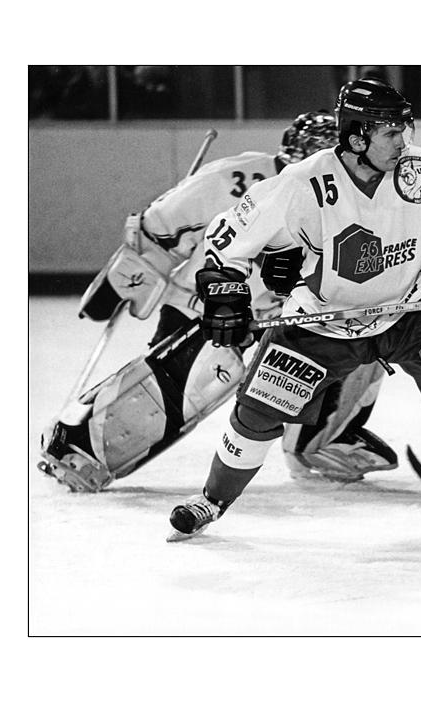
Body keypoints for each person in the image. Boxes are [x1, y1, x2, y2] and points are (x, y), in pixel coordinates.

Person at [167, 78, 421, 540]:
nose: (403, 142)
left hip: (411, 309)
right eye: (390, 133)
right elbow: (228, 234)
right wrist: (225, 290)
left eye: (405, 130)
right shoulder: (304, 183)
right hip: (324, 319)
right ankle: (211, 501)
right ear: (357, 137)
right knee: (257, 413)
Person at [38, 111, 395, 493]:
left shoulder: (356, 200)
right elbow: (162, 223)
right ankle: (80, 448)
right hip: (208, 308)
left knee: (364, 342)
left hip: (288, 318)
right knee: (165, 390)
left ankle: (319, 440)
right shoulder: (239, 177)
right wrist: (127, 277)